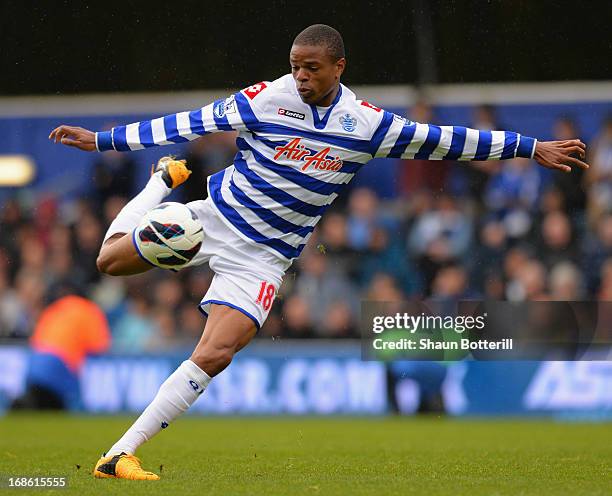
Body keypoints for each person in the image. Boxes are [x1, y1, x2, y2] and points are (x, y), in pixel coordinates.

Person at [48, 24, 588, 480]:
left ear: (339, 67)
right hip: (213, 220)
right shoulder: (265, 99)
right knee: (107, 262)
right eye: (295, 66)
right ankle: (157, 184)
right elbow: (187, 123)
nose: (300, 76)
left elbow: (443, 138)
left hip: (263, 256)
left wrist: (530, 146)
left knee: (217, 352)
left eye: (311, 68)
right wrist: (103, 141)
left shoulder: (367, 124)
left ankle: (119, 454)